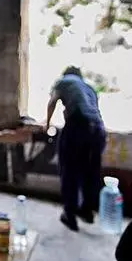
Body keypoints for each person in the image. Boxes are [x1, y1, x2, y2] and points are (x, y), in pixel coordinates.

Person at [46, 66, 106, 231]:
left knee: (69, 169)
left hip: (79, 126)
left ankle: (69, 214)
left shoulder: (63, 81)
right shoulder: (89, 88)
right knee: (90, 171)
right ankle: (87, 211)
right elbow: (92, 110)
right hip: (98, 130)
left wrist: (47, 125)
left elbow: (52, 102)